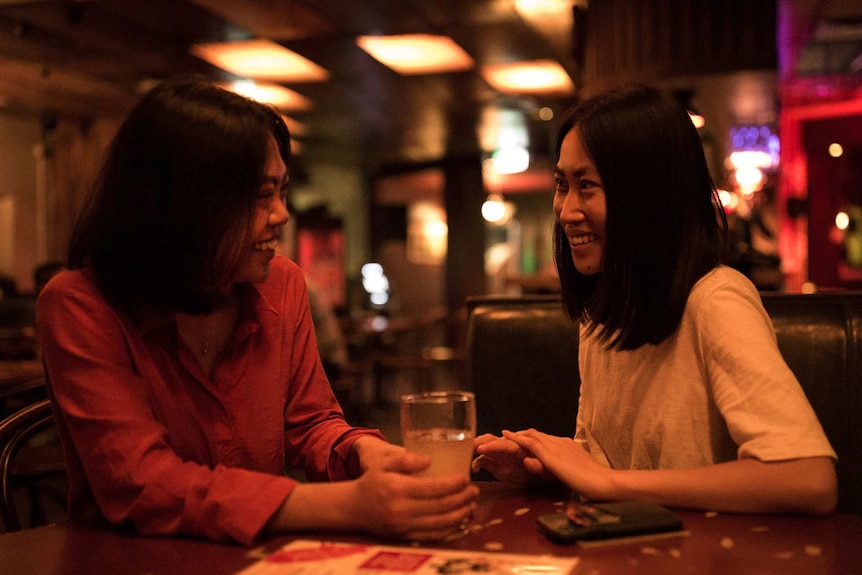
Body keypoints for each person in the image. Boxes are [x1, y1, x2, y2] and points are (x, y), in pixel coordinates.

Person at [36, 79, 477, 545]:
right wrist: (347, 505)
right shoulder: (79, 306)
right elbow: (142, 483)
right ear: (183, 203)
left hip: (256, 557)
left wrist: (360, 451)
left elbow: (310, 422)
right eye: (259, 195)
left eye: (282, 191)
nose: (282, 214)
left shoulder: (281, 283)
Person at [472, 84, 837, 516]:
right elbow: (609, 459)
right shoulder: (604, 314)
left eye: (586, 185)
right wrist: (551, 468)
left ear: (646, 196)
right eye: (562, 184)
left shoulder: (716, 300)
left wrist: (605, 482)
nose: (566, 210)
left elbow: (807, 478)